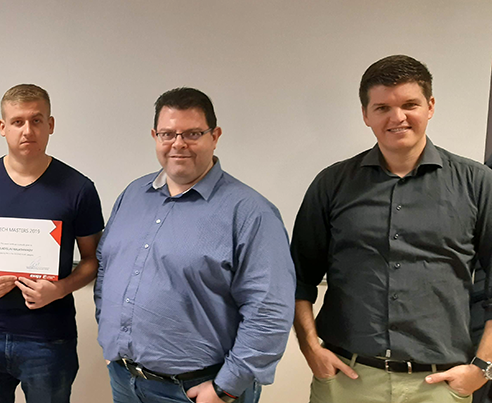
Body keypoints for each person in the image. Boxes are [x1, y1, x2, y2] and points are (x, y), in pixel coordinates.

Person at [292, 54, 492, 403]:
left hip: (439, 385)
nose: (397, 117)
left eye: (410, 104)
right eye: (382, 107)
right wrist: (310, 349)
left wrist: (483, 367)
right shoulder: (333, 183)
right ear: (366, 114)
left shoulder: (477, 183)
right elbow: (297, 275)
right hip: (346, 381)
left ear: (430, 106)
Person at [95, 87, 294, 403]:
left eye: (192, 133)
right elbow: (107, 267)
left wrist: (226, 387)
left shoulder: (250, 213)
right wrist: (113, 342)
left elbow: (269, 311)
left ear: (215, 136)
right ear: (154, 136)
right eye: (168, 133)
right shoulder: (132, 195)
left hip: (197, 391)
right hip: (125, 381)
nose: (178, 144)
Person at [0, 83, 104, 403]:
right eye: (17, 121)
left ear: (51, 125)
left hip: (49, 338)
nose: (27, 130)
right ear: (3, 127)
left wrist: (60, 289)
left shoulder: (79, 188)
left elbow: (92, 259)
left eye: (36, 120)